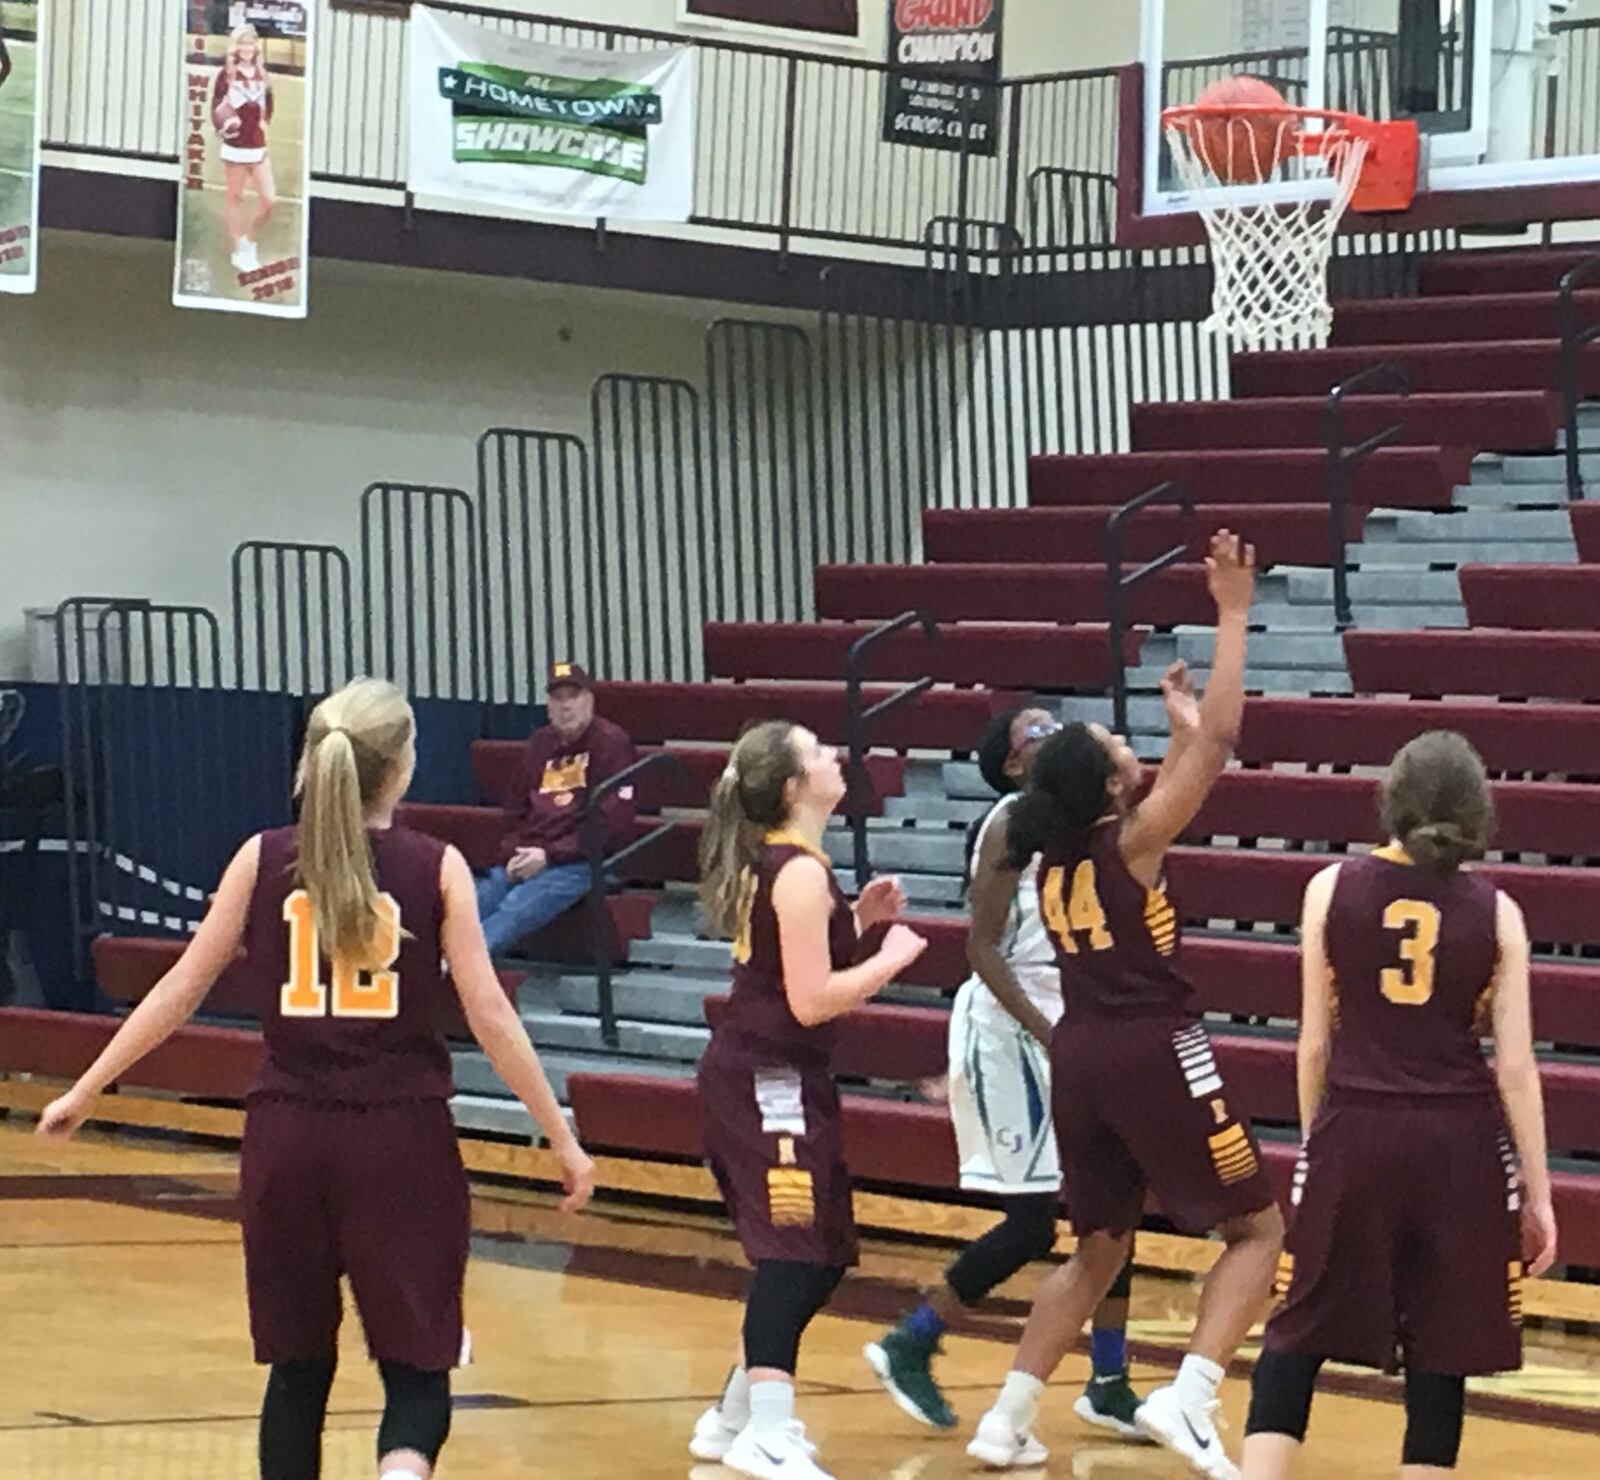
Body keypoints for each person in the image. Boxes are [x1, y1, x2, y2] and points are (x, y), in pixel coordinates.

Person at [35, 678, 596, 1480]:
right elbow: (490, 1017)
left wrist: (84, 1088)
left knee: (297, 1371)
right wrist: (562, 1138)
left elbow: (179, 988)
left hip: (286, 1137)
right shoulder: (434, 867)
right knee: (416, 1365)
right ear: (402, 769)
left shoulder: (259, 858)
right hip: (399, 1138)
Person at [968, 531, 1283, 1480]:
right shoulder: (1129, 842)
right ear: (1109, 786)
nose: (1129, 744)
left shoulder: (1057, 849)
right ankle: (1190, 1397)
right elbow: (1223, 747)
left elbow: (1191, 752)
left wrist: (1179, 729)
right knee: (1259, 1230)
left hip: (1082, 1056)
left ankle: (1008, 1416)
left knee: (1098, 1247)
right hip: (1154, 1048)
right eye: (1119, 747)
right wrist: (1232, 613)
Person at [1241, 731, 1559, 1479]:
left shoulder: (1328, 888)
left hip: (1356, 1124)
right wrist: (1539, 1195)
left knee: (1299, 1328)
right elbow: (1515, 1069)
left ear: (1390, 799)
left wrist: (1319, 1141)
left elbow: (1314, 1044)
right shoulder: (1499, 912)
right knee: (1441, 1351)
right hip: (1461, 1144)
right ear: (1478, 810)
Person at [865, 705, 1145, 1438]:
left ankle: (1110, 1380)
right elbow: (981, 952)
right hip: (1010, 1029)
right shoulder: (1008, 821)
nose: (1053, 734)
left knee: (1117, 1207)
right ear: (1014, 764)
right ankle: (912, 1339)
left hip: (1076, 1028)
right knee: (1032, 1222)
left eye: (1058, 725)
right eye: (1035, 733)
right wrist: (1050, 1033)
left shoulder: (1084, 816)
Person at [687, 720, 929, 1480]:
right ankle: (769, 1429)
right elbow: (813, 1000)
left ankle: (731, 1419)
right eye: (818, 752)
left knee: (822, 1254)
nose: (834, 757)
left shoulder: (800, 868)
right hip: (765, 1079)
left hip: (787, 1076)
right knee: (791, 1254)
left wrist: (859, 926)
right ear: (794, 787)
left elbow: (793, 968)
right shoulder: (795, 871)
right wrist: (890, 959)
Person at [476, 662, 636, 959]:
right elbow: (515, 810)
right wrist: (515, 853)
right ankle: (433, 961)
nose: (565, 707)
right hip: (532, 854)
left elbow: (611, 823)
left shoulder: (611, 744)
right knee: (481, 898)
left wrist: (551, 855)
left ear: (589, 699)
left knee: (518, 905)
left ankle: (459, 966)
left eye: (572, 697)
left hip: (585, 860)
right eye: (557, 698)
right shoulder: (539, 744)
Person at [214, 24, 278, 275]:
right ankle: (239, 250)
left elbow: (269, 102)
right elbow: (217, 106)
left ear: (256, 46)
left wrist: (265, 121)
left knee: (270, 201)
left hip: (258, 144)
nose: (247, 48)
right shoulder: (227, 74)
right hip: (236, 146)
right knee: (235, 198)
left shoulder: (263, 74)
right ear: (236, 47)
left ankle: (249, 240)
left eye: (250, 43)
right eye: (242, 43)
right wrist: (225, 126)